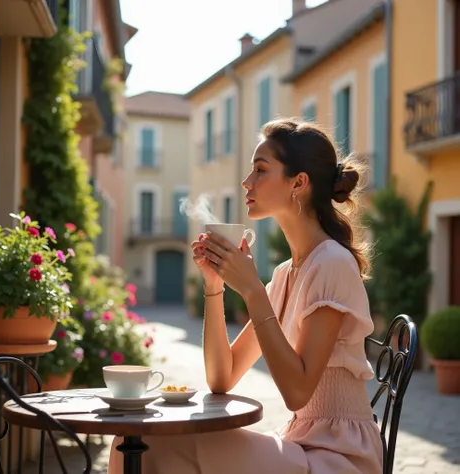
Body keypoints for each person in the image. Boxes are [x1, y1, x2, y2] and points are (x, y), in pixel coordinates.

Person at [108, 118, 383, 473]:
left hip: (338, 457)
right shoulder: (286, 274)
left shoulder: (332, 263)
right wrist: (214, 285)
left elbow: (297, 392)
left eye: (260, 169)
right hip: (301, 442)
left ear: (298, 183)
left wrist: (253, 289)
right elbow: (223, 378)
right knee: (131, 439)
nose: (246, 182)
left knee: (147, 444)